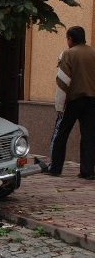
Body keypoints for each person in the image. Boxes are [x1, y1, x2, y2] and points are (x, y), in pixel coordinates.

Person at [47, 26, 95, 179]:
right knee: (89, 135)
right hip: (92, 101)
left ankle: (55, 168)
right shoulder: (93, 52)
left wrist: (59, 106)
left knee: (62, 133)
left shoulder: (68, 54)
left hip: (73, 100)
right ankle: (87, 171)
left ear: (70, 39)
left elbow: (63, 81)